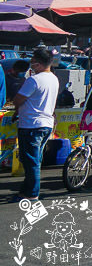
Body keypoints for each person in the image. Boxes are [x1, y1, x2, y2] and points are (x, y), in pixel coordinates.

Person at [12, 48, 58, 200]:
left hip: (31, 125)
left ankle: (32, 194)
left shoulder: (34, 80)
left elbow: (18, 99)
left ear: (38, 64)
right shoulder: (53, 78)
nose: (31, 64)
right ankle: (25, 191)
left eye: (32, 61)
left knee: (30, 161)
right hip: (45, 123)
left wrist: (17, 108)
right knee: (33, 160)